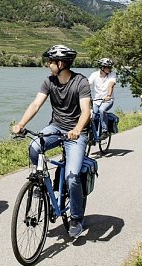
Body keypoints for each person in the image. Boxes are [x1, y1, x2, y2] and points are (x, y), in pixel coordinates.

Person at [11, 44, 91, 238]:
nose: (48, 64)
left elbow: (86, 111)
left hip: (76, 133)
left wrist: (77, 130)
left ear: (61, 63)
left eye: (51, 61)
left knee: (72, 177)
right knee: (34, 147)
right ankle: (41, 182)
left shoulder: (80, 82)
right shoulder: (49, 81)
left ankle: (76, 218)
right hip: (55, 127)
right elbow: (36, 104)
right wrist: (21, 123)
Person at [88, 58, 116, 135]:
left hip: (108, 100)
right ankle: (92, 133)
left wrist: (108, 95)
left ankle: (105, 130)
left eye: (110, 67)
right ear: (102, 67)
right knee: (92, 115)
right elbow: (87, 84)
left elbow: (111, 84)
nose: (110, 69)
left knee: (102, 110)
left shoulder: (112, 74)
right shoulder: (94, 75)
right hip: (97, 100)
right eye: (108, 67)